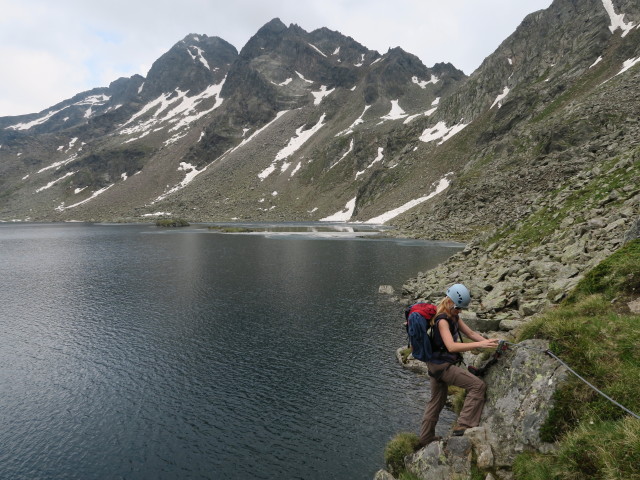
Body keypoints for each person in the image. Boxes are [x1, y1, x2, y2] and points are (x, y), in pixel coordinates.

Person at [419, 284, 499, 447]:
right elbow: (451, 346)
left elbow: (470, 333)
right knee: (478, 386)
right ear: (449, 302)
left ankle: (425, 438)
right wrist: (479, 346)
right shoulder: (442, 320)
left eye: (461, 309)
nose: (460, 311)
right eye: (458, 308)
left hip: (435, 365)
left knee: (437, 402)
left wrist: (489, 342)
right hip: (442, 367)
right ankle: (464, 425)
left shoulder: (453, 316)